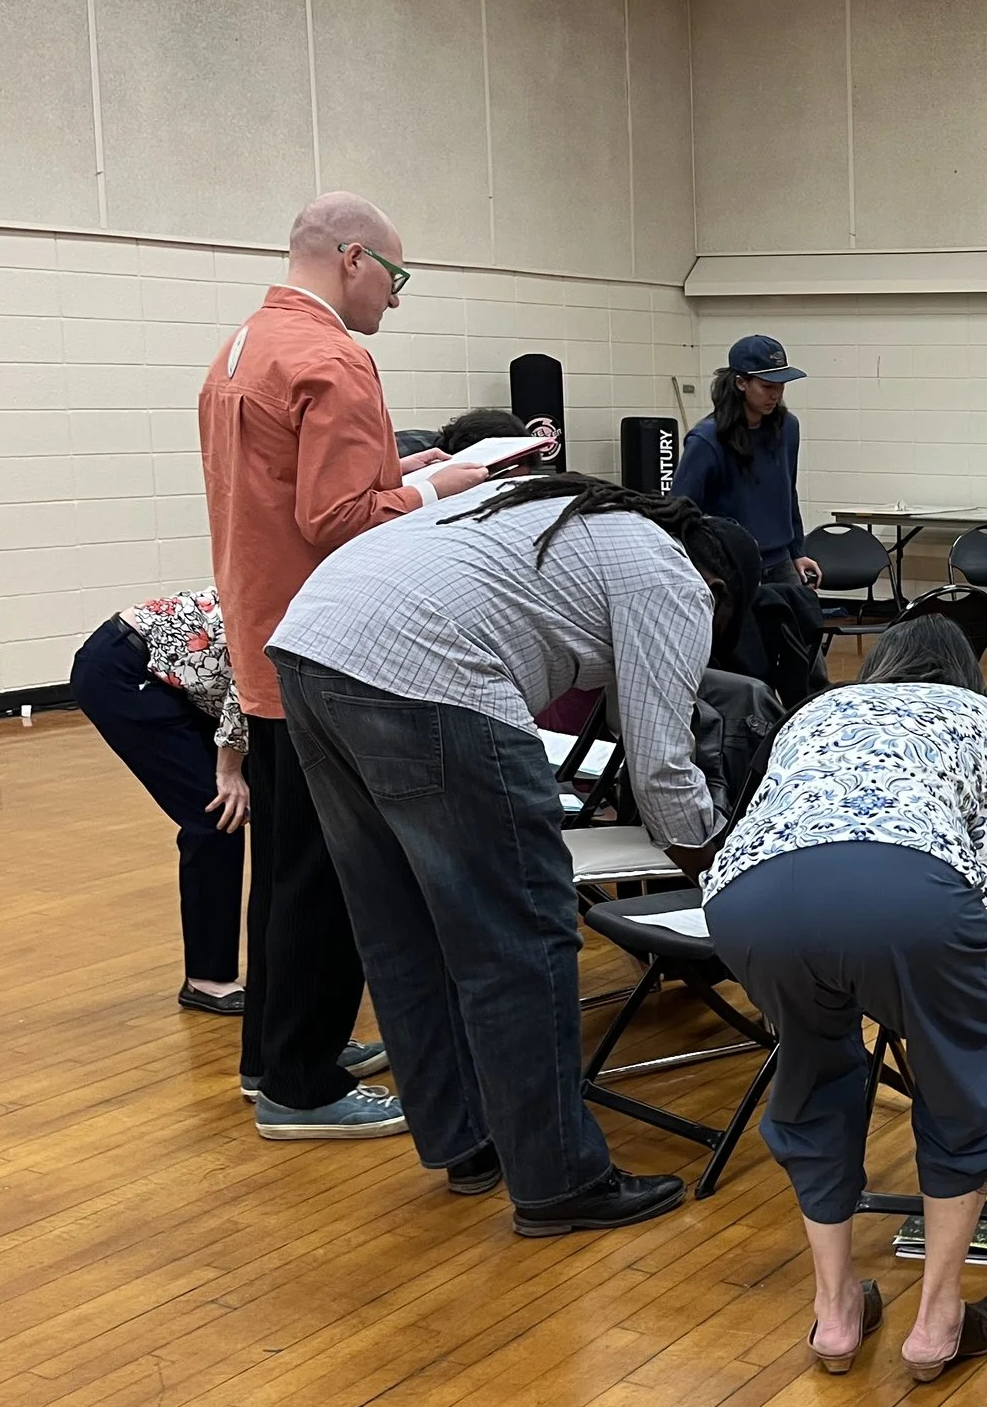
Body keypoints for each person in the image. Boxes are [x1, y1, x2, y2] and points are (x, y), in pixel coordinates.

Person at [269, 473, 750, 1235]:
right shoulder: (676, 578)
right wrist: (727, 877)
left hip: (312, 645)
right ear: (717, 588)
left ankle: (466, 1141)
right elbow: (662, 773)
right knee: (524, 932)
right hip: (425, 668)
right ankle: (560, 1177)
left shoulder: (571, 514)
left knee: (401, 924)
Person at [200, 191, 485, 1141]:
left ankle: (273, 1055)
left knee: (285, 870)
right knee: (328, 878)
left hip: (265, 641)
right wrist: (438, 490)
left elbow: (293, 498)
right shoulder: (332, 356)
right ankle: (303, 1085)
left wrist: (406, 472)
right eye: (395, 276)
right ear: (353, 258)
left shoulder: (244, 345)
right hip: (326, 652)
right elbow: (338, 521)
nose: (396, 298)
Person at [703, 616, 987, 1381]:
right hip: (906, 887)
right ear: (967, 672)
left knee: (813, 1071)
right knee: (962, 1083)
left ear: (881, 662)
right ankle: (938, 1320)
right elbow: (974, 875)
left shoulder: (815, 710)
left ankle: (836, 1312)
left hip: (749, 896)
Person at [69, 588, 254, 1016]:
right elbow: (249, 685)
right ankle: (206, 980)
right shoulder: (290, 601)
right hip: (125, 668)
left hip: (178, 678)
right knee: (218, 815)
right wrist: (228, 771)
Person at [672, 335, 821, 589]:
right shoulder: (706, 439)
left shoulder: (788, 427)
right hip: (730, 565)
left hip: (780, 561)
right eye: (767, 386)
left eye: (781, 386)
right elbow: (680, 509)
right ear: (741, 383)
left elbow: (788, 492)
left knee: (802, 614)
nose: (776, 395)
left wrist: (797, 551)